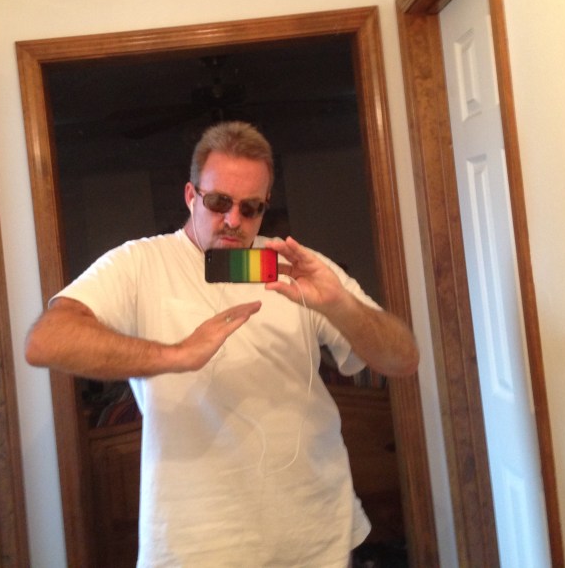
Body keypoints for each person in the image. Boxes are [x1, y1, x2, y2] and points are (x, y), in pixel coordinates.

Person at [26, 121, 419, 567]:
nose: (233, 220)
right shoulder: (140, 264)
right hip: (196, 544)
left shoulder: (295, 266)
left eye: (251, 208)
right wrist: (176, 355)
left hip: (315, 532)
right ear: (191, 196)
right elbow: (47, 341)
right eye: (218, 202)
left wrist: (340, 304)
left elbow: (403, 359)